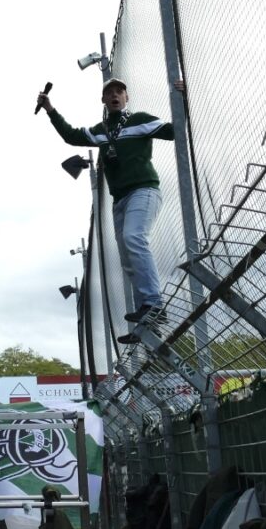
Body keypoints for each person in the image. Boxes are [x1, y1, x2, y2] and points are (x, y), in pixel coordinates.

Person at [38, 77, 174, 336]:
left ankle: (155, 304)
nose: (114, 95)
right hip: (120, 198)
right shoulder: (102, 130)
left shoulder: (139, 120)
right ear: (103, 100)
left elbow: (173, 130)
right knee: (127, 258)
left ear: (126, 98)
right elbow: (71, 136)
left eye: (119, 91)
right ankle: (149, 324)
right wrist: (50, 110)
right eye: (109, 92)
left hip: (143, 190)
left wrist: (181, 96)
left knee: (134, 237)